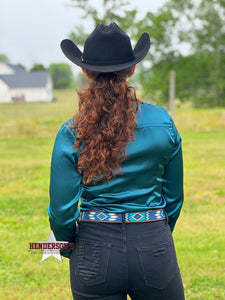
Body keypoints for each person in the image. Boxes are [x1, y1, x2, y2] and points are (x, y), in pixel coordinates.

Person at [48, 22, 185, 300]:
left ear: (85, 71)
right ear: (132, 69)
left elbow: (62, 211)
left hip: (93, 249)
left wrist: (66, 245)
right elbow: (174, 198)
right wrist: (153, 233)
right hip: (153, 243)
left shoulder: (71, 132)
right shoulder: (163, 122)